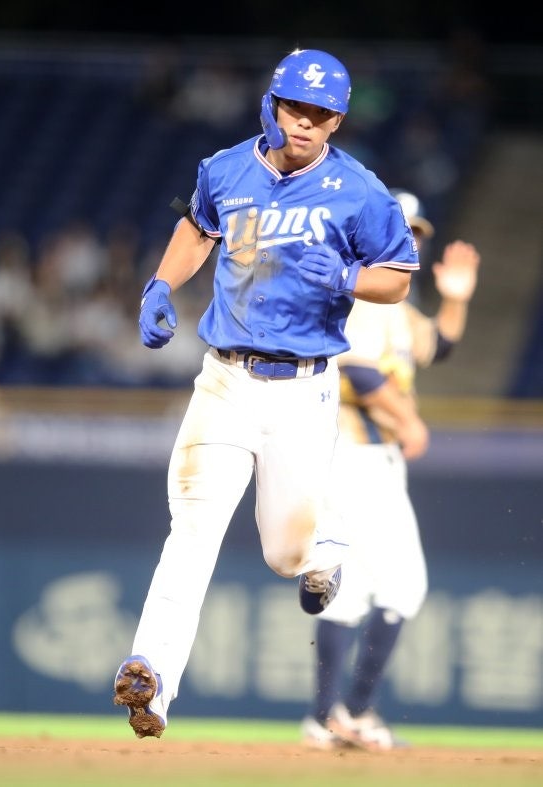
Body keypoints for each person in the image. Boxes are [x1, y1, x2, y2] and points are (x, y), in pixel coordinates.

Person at [112, 48, 420, 739]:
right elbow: (198, 227)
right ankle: (152, 677)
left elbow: (399, 276)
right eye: (295, 107)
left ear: (337, 121)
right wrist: (161, 283)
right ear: (271, 105)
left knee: (284, 553)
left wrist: (347, 278)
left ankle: (322, 552)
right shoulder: (226, 169)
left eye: (321, 113)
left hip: (304, 390)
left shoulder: (359, 190)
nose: (305, 122)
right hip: (223, 380)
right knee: (192, 530)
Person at [300, 189, 481, 751]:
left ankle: (329, 718)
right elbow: (358, 372)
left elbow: (438, 346)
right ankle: (353, 713)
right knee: (404, 584)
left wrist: (455, 300)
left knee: (354, 590)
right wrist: (407, 419)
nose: (411, 241)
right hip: (356, 455)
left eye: (416, 233)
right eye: (403, 230)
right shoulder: (362, 297)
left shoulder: (398, 309)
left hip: (366, 460)